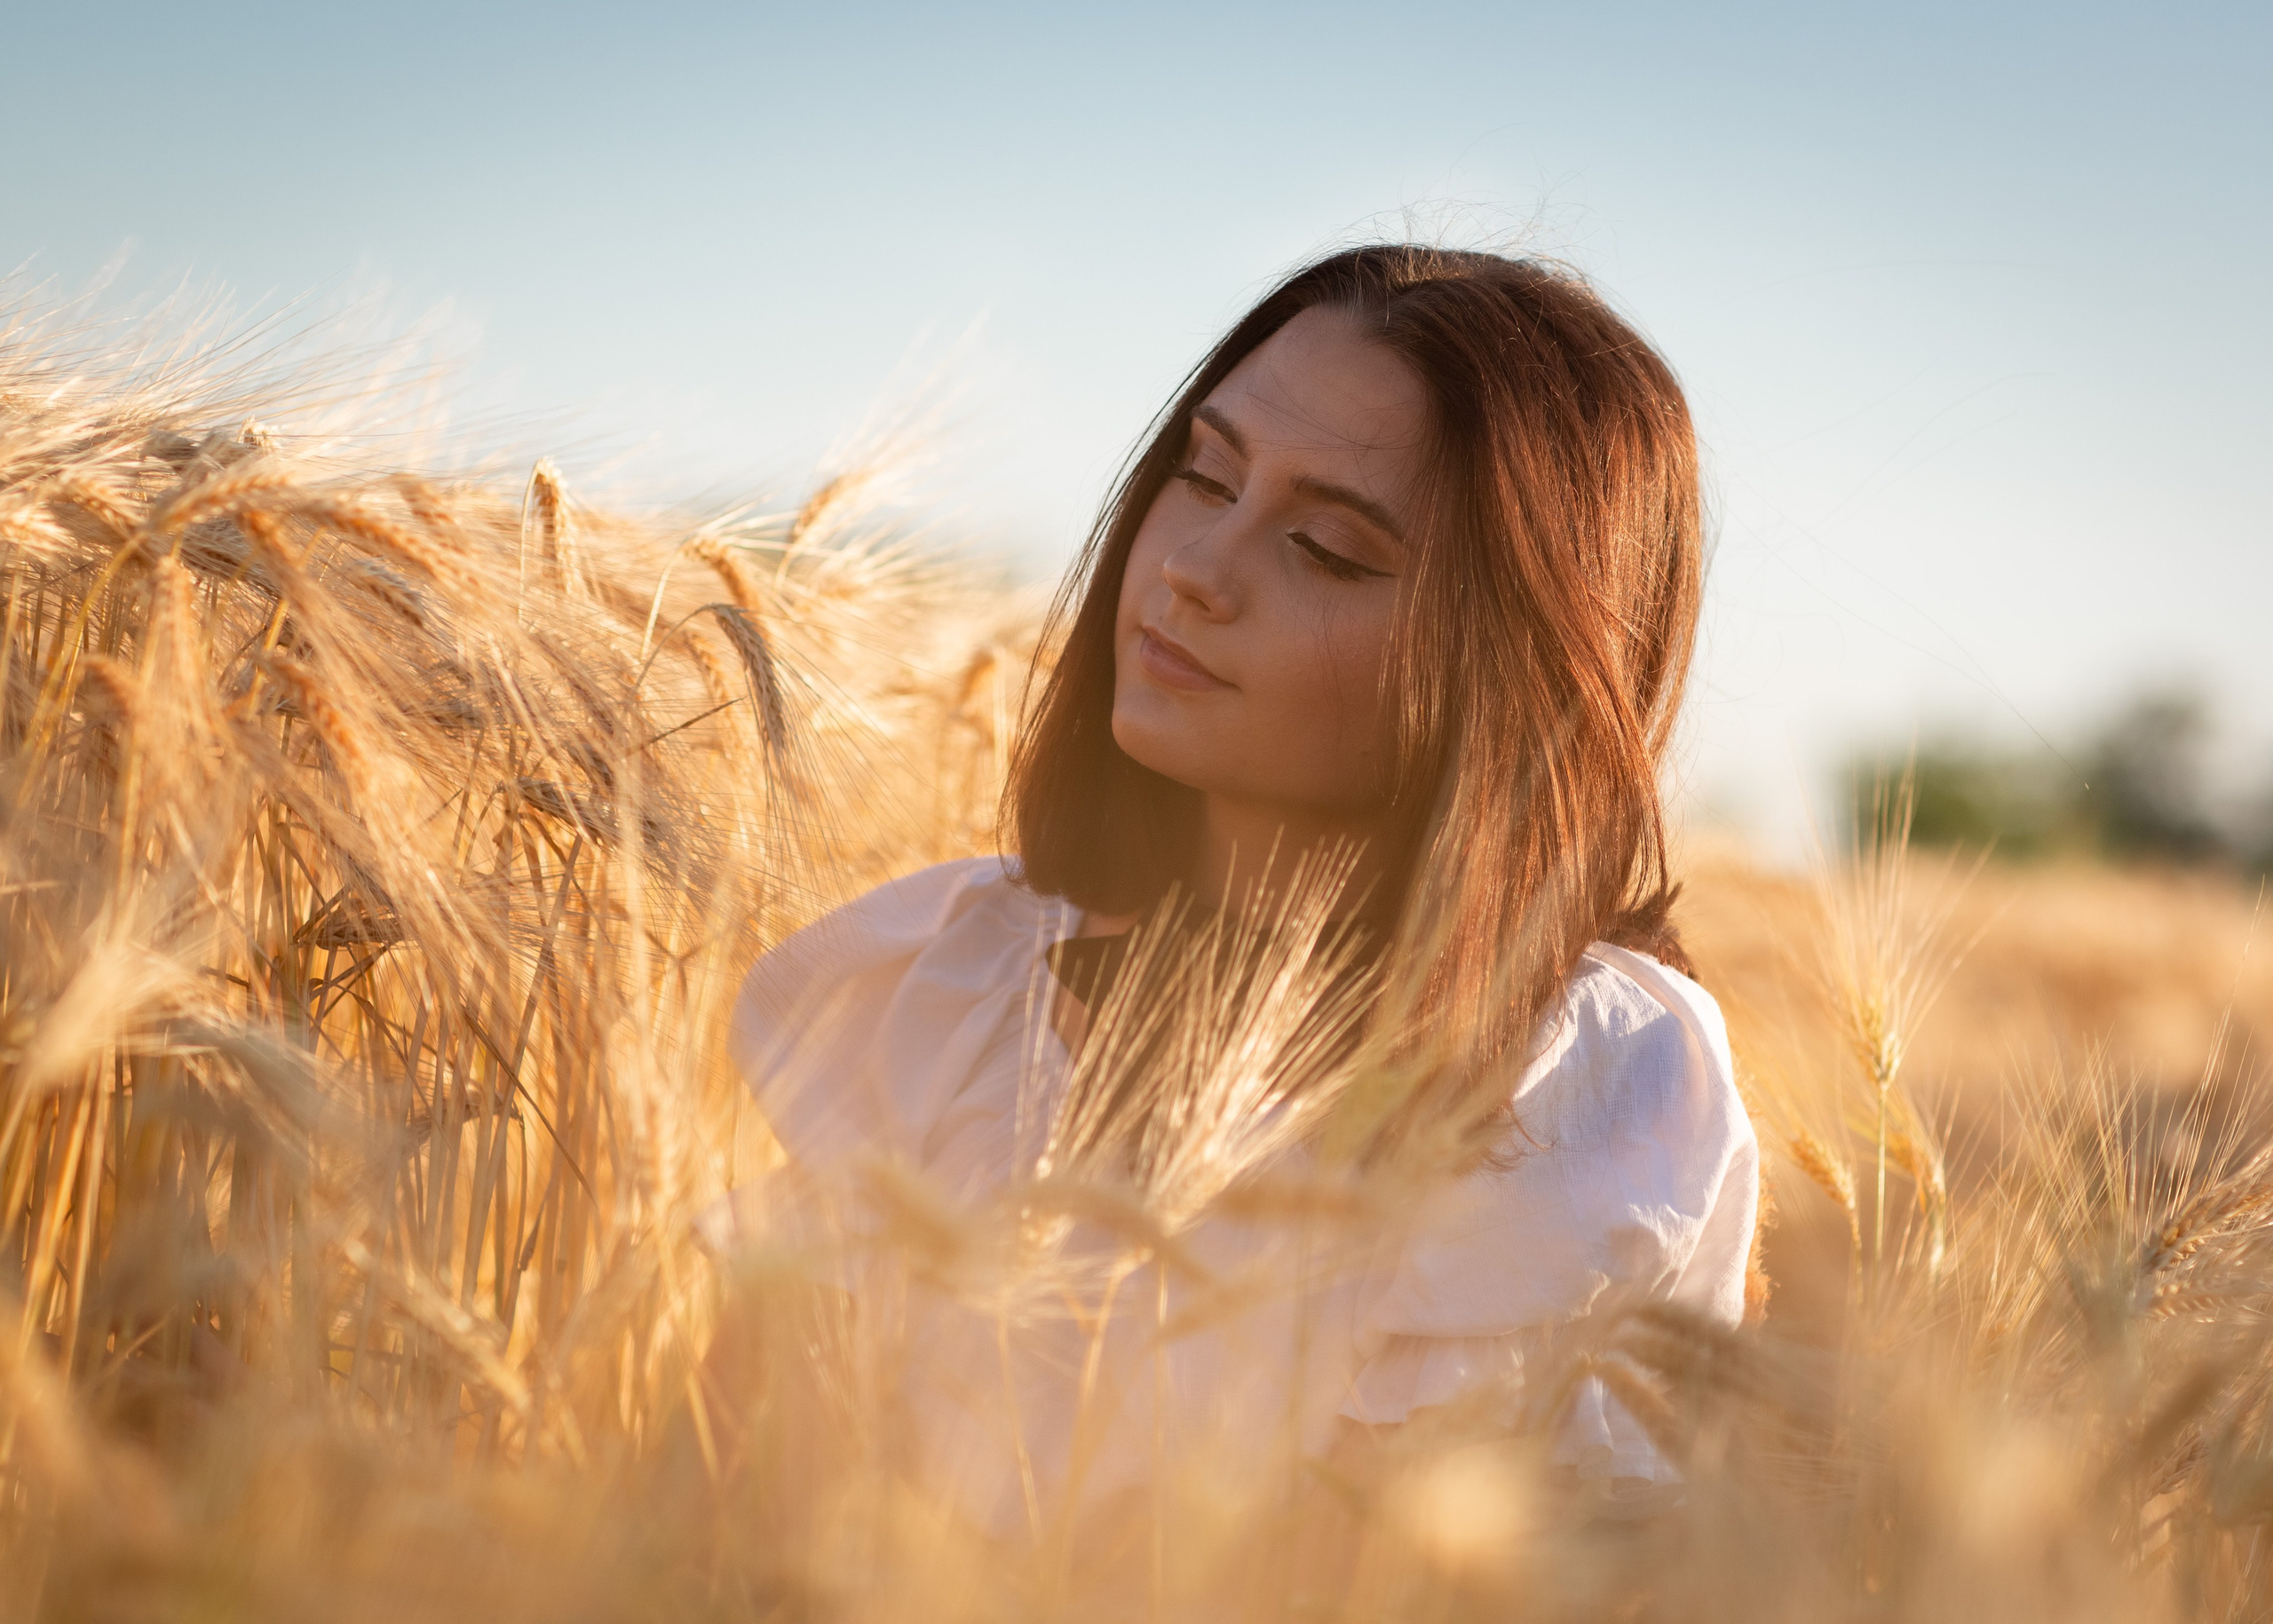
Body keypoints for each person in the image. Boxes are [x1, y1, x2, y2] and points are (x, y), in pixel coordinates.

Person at [724, 244, 1759, 1537]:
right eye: (1204, 475)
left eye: (1326, 548)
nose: (1195, 568)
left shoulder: (1597, 1076)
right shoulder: (940, 981)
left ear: (1511, 664)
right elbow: (738, 1523)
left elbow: (1588, 1570)